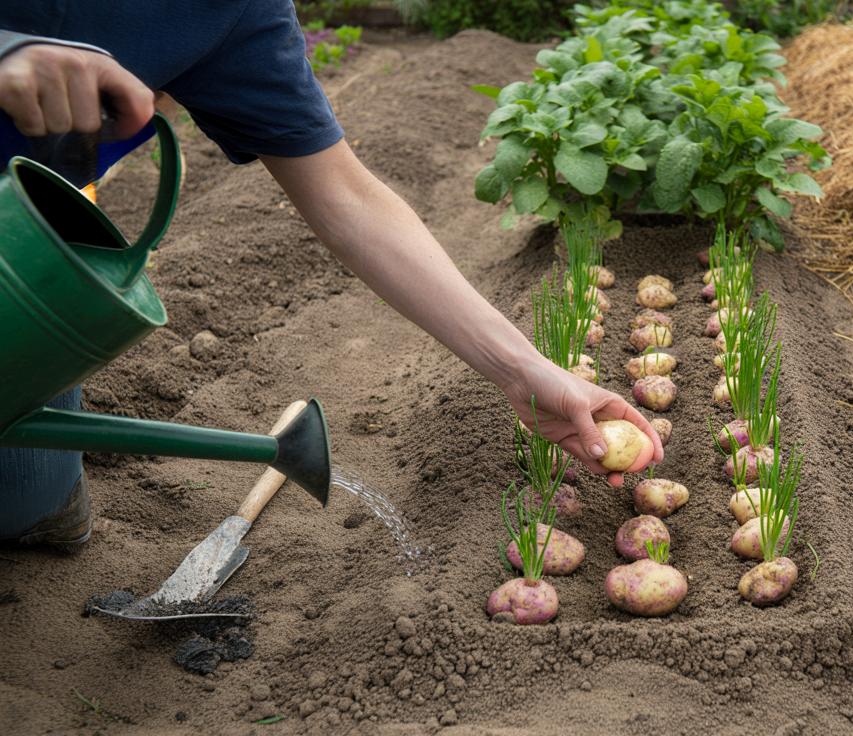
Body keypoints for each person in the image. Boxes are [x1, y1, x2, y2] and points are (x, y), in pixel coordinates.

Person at [0, 2, 663, 548]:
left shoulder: (231, 12)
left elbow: (346, 197)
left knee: (33, 517)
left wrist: (525, 370)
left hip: (24, 248)